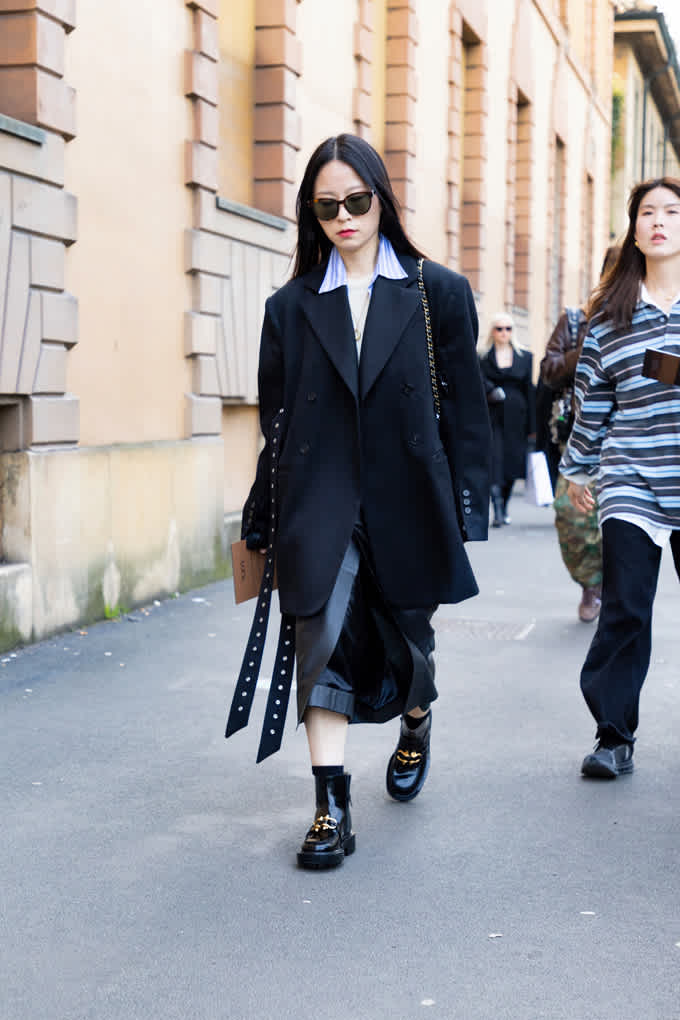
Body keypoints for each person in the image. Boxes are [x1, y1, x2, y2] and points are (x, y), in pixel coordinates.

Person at [232, 134, 491, 867]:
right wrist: (261, 510)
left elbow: (466, 410)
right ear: (310, 214)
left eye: (356, 200)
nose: (344, 216)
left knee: (408, 644)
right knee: (320, 639)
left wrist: (468, 506)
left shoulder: (436, 292)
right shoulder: (289, 308)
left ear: (380, 198)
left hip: (409, 498)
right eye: (327, 206)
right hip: (319, 502)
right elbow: (278, 423)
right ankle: (330, 809)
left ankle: (416, 717)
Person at [560, 177, 680, 779]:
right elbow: (593, 402)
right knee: (626, 609)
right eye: (647, 212)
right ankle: (613, 734)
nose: (659, 221)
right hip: (632, 478)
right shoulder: (611, 317)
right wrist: (577, 469)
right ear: (633, 230)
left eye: (672, 212)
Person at [539, 247, 620, 624]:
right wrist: (586, 349)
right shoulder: (576, 321)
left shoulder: (653, 319)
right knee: (573, 518)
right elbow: (548, 370)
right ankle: (592, 582)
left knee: (624, 526)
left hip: (631, 442)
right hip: (580, 439)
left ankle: (617, 591)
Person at [480, 313, 535, 526]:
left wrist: (532, 425)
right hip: (491, 414)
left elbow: (529, 389)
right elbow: (477, 380)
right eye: (499, 329)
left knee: (512, 463)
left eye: (508, 329)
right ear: (492, 332)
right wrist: (490, 390)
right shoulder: (482, 356)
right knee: (494, 460)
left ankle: (504, 505)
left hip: (516, 417)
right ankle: (497, 510)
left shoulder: (525, 357)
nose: (504, 333)